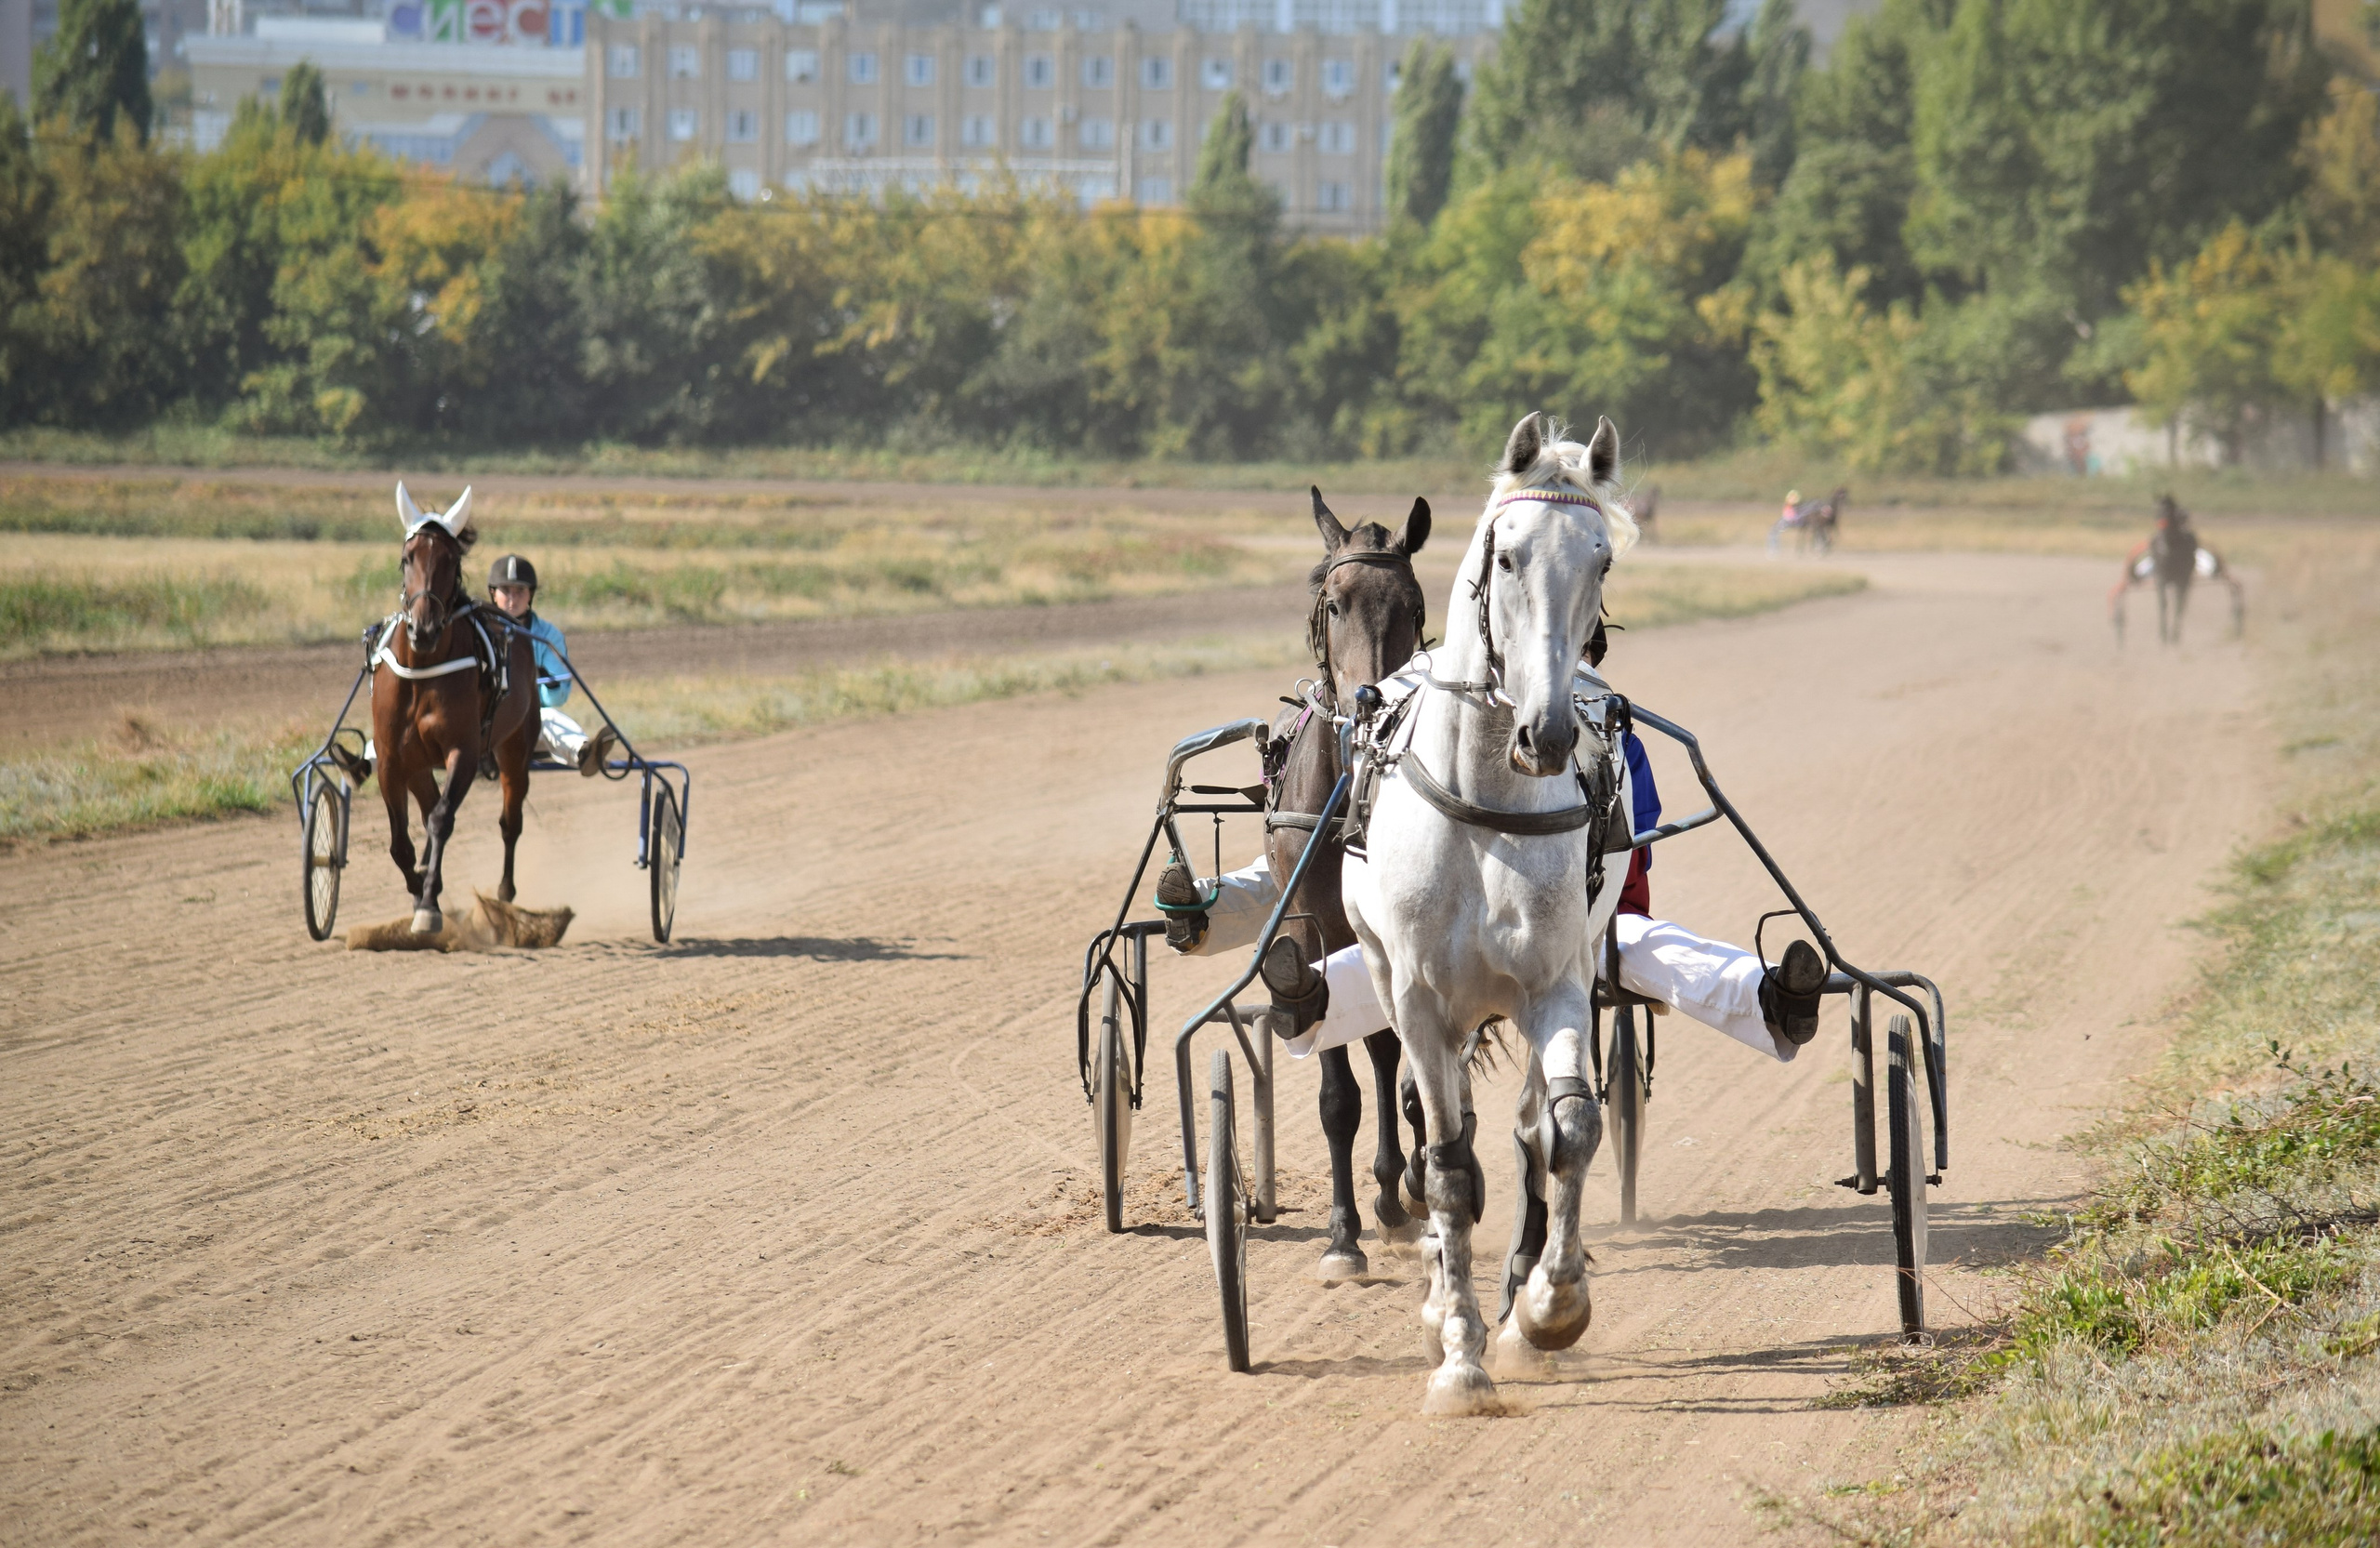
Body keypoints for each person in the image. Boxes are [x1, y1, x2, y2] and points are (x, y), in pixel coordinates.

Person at [1154, 622, 1827, 1064]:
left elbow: (1633, 848)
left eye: (1574, 653)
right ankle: (1230, 936)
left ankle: (1770, 999)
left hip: (1577, 920)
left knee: (1643, 948)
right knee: (1303, 874)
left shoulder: (1612, 733)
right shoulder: (1459, 705)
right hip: (1449, 896)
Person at [486, 554, 617, 777]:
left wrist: (541, 681)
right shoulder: (477, 631)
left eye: (520, 591)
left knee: (547, 718)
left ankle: (584, 754)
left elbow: (559, 698)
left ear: (531, 595)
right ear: (493, 593)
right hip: (484, 723)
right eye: (505, 590)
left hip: (525, 723)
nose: (512, 599)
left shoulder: (547, 637)